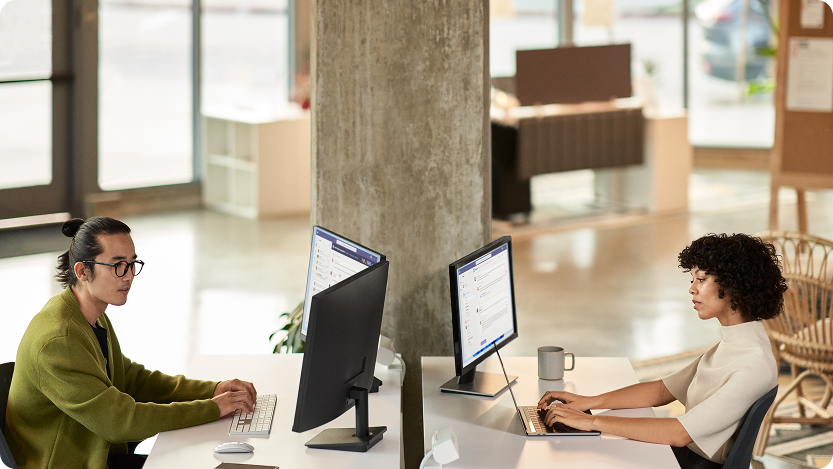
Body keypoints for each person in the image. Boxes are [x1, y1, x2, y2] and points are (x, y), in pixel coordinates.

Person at [4, 217, 257, 469]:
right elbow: (119, 421)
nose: (128, 276)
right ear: (82, 271)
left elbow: (130, 378)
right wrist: (212, 408)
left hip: (99, 456)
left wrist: (214, 390)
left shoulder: (92, 315)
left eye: (132, 263)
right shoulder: (59, 340)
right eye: (117, 266)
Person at [538, 233, 787, 469]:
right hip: (683, 457)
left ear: (735, 286)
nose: (692, 289)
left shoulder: (753, 363)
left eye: (701, 279)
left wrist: (590, 421)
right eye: (693, 280)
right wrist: (589, 402)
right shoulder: (736, 343)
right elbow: (661, 390)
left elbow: (678, 433)